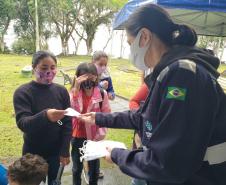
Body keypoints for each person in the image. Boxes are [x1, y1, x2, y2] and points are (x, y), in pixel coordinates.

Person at [79, 3, 226, 185]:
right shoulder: (168, 72)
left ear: (145, 37)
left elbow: (167, 163)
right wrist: (98, 118)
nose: (130, 51)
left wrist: (117, 155)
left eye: (130, 43)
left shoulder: (183, 75)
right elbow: (143, 117)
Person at [13, 51, 72, 185]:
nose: (49, 72)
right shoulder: (23, 92)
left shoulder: (61, 91)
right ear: (34, 68)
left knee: (54, 181)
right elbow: (23, 123)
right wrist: (46, 116)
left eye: (52, 68)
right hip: (32, 153)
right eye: (44, 68)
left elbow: (67, 122)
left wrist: (64, 150)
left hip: (55, 152)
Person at [70, 62, 111, 185]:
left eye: (91, 77)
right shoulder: (74, 93)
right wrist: (76, 90)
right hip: (77, 136)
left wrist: (100, 135)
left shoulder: (102, 94)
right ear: (78, 77)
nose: (88, 80)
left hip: (94, 137)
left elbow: (106, 116)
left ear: (96, 77)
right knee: (77, 168)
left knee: (94, 169)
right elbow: (73, 112)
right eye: (84, 77)